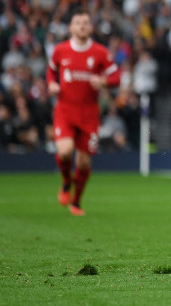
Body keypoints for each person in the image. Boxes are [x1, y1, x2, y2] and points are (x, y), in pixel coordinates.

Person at [46, 12, 121, 216]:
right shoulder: (60, 50)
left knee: (84, 162)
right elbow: (51, 71)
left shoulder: (100, 52)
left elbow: (116, 76)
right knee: (64, 151)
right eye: (77, 22)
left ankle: (76, 202)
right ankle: (65, 181)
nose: (82, 26)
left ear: (91, 28)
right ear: (70, 27)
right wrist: (52, 84)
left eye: (86, 23)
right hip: (65, 110)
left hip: (89, 113)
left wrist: (104, 81)